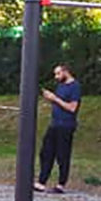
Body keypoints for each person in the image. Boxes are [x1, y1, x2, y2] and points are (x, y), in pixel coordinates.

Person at [35, 64, 81, 193]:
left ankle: (61, 184)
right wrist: (50, 98)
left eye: (58, 73)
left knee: (62, 155)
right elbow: (59, 102)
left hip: (66, 125)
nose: (56, 77)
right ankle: (41, 182)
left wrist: (55, 98)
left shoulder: (75, 87)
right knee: (46, 152)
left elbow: (72, 107)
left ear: (66, 72)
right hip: (54, 123)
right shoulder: (60, 86)